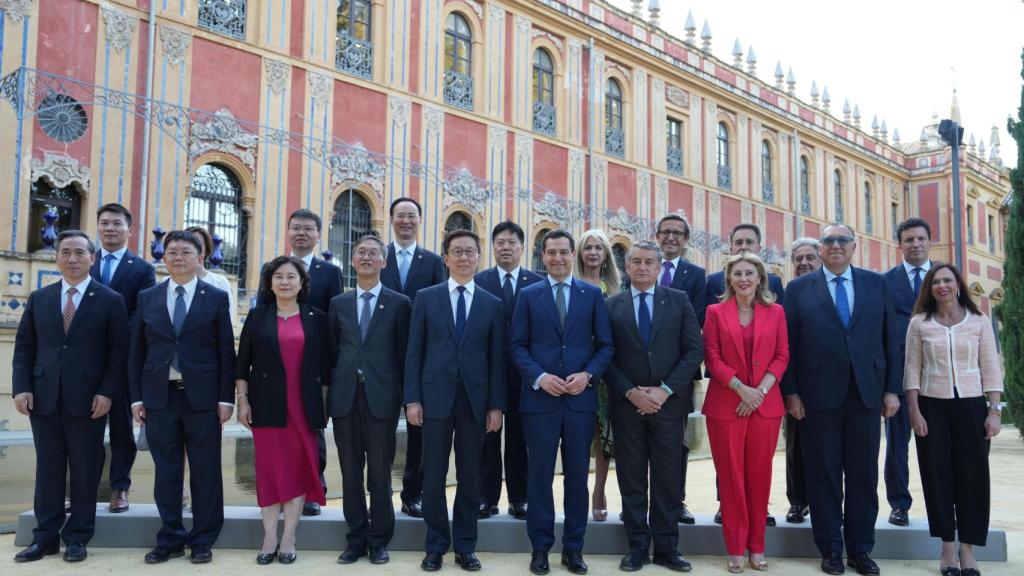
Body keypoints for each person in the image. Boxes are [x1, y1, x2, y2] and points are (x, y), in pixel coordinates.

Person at [781, 224, 900, 576]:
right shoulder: (799, 288)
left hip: (867, 395)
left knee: (863, 475)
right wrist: (792, 392)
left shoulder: (876, 284)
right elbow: (788, 345)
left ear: (853, 247)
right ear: (820, 249)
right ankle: (831, 549)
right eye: (829, 241)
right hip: (817, 397)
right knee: (823, 475)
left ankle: (860, 549)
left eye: (842, 241)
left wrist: (892, 389)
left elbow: (890, 339)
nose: (836, 246)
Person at [12, 231, 129, 563]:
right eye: (66, 252)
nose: (73, 259)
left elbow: (118, 354)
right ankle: (45, 537)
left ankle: (78, 537)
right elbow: (24, 348)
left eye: (80, 253)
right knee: (48, 469)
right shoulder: (40, 298)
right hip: (43, 397)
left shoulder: (110, 300)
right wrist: (22, 387)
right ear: (57, 257)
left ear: (93, 258)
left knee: (85, 470)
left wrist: (107, 392)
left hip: (89, 400)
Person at [511, 229, 614, 576]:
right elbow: (517, 346)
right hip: (540, 401)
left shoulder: (591, 295)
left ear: (574, 255)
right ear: (543, 256)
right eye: (551, 252)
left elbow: (606, 346)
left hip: (579, 402)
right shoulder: (528, 295)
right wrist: (540, 377)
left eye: (563, 252)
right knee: (539, 477)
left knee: (575, 479)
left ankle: (574, 549)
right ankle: (540, 548)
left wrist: (587, 375)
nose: (557, 258)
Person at [130, 230, 236, 565]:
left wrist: (226, 398)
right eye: (171, 251)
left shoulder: (214, 297)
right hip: (159, 398)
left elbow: (224, 350)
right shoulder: (148, 297)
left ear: (199, 258)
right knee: (167, 471)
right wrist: (136, 398)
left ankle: (203, 539)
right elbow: (137, 351)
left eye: (185, 252)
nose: (178, 257)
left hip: (202, 399)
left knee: (205, 471)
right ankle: (171, 536)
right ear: (164, 258)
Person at [405, 229, 506, 572]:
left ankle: (465, 546)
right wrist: (412, 400)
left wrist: (496, 406)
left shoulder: (492, 304)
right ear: (445, 258)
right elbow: (414, 353)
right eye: (457, 252)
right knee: (432, 475)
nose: (464, 257)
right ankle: (435, 545)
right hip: (433, 399)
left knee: (470, 477)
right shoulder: (426, 297)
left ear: (479, 258)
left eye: (470, 252)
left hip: (475, 402)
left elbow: (496, 360)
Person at [605, 241, 704, 573]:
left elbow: (693, 351)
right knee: (632, 479)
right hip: (627, 407)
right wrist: (630, 392)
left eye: (649, 262)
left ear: (659, 267)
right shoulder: (611, 305)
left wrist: (664, 391)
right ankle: (636, 547)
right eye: (636, 261)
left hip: (668, 406)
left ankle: (666, 547)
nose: (642, 267)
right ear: (626, 267)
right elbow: (606, 355)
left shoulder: (678, 301)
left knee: (667, 478)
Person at [904, 263, 1003, 576]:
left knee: (973, 479)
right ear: (929, 289)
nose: (942, 286)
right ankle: (947, 549)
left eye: (948, 280)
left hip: (971, 407)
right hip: (932, 407)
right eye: (936, 282)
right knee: (937, 477)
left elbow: (990, 366)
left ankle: (968, 550)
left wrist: (994, 410)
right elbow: (911, 371)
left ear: (958, 285)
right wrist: (914, 411)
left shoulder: (978, 320)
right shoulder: (919, 323)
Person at [235, 256, 330, 565]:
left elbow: (326, 368)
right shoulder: (257, 316)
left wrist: (325, 406)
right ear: (270, 283)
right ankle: (269, 536)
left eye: (291, 277)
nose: (285, 282)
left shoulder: (316, 317)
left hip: (303, 406)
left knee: (298, 468)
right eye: (279, 277)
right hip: (266, 404)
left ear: (302, 283)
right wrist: (243, 401)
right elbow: (242, 365)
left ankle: (288, 535)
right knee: (270, 470)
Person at [703, 253, 790, 573]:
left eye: (749, 273)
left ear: (759, 279)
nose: (743, 278)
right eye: (737, 273)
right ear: (728, 280)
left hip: (765, 407)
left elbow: (782, 356)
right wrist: (742, 389)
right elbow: (710, 357)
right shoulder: (714, 312)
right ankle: (735, 548)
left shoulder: (776, 312)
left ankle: (757, 546)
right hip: (727, 405)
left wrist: (759, 393)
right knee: (731, 479)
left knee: (759, 477)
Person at [329, 234, 412, 565]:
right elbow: (333, 352)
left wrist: (408, 399)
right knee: (350, 472)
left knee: (379, 472)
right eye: (360, 252)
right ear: (352, 261)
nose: (366, 257)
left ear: (384, 261)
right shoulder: (338, 304)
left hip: (382, 398)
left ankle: (379, 539)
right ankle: (355, 538)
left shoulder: (399, 303)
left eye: (373, 253)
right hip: (346, 398)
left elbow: (405, 355)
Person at [256, 209, 342, 516]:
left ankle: (312, 489)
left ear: (319, 235)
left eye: (308, 229)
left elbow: (335, 319)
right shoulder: (274, 267)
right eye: (296, 228)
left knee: (311, 429)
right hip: (278, 360)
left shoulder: (331, 273)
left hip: (313, 362)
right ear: (288, 232)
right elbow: (261, 315)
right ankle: (281, 490)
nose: (301, 233)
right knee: (280, 433)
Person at [380, 197, 446, 519]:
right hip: (382, 357)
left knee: (418, 432)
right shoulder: (379, 256)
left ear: (420, 220)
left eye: (411, 216)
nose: (406, 221)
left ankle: (412, 494)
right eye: (400, 216)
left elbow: (439, 309)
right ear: (391, 219)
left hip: (421, 358)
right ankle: (378, 494)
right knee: (380, 430)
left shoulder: (433, 262)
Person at [90, 203, 156, 514]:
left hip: (124, 360)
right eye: (104, 223)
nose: (110, 228)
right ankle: (79, 489)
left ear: (129, 230)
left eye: (117, 224)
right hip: (85, 362)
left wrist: (112, 340)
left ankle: (119, 488)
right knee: (81, 430)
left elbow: (139, 315)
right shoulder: (85, 263)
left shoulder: (142, 269)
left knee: (121, 431)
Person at [475, 221, 543, 520]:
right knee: (487, 438)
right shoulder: (478, 281)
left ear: (522, 247)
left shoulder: (536, 283)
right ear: (493, 246)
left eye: (511, 242)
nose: (505, 247)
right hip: (487, 373)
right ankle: (485, 497)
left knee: (520, 439)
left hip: (525, 375)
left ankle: (520, 498)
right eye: (500, 242)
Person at [652, 214, 707, 525]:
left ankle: (676, 501)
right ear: (657, 236)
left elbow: (695, 323)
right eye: (665, 232)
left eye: (677, 233)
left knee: (677, 443)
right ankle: (649, 502)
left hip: (680, 375)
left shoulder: (696, 275)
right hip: (641, 374)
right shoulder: (642, 266)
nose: (671, 238)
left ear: (686, 240)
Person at [882, 218, 934, 528]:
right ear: (899, 245)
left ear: (930, 241)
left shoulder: (945, 278)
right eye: (909, 239)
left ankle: (942, 503)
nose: (915, 244)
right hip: (898, 376)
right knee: (896, 446)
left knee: (938, 446)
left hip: (937, 376)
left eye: (920, 238)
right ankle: (899, 504)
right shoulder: (885, 281)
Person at [575, 228, 622, 522]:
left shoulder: (616, 290)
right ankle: (579, 491)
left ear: (606, 255)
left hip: (607, 375)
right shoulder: (572, 285)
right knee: (578, 437)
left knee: (603, 436)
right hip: (577, 372)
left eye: (599, 248)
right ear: (580, 252)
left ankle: (599, 490)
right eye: (588, 247)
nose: (593, 252)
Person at [782, 237, 820, 525]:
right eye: (799, 259)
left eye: (810, 257)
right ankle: (797, 501)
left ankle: (826, 501)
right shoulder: (789, 292)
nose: (804, 263)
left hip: (831, 382)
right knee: (796, 447)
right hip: (796, 381)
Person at [185, 226, 237, 325]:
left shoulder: (220, 283)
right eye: (189, 244)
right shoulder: (169, 281)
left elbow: (226, 321)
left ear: (206, 250)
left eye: (197, 244)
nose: (193, 248)